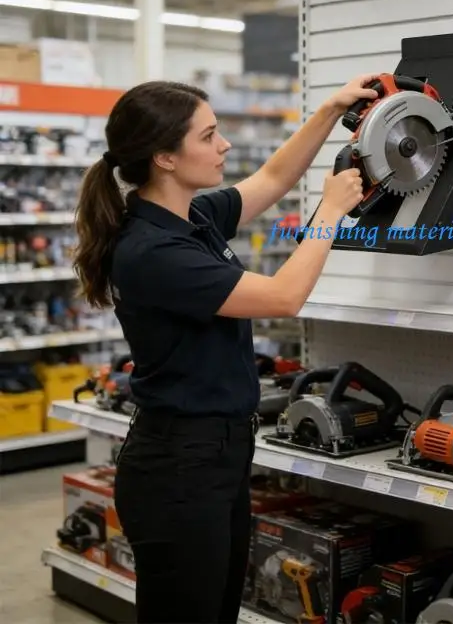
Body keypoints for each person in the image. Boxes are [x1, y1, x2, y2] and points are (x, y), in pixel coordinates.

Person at [72, 75, 379, 624]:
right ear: (165, 157)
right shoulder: (153, 250)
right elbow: (284, 297)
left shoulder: (192, 218)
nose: (225, 146)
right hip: (179, 468)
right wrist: (330, 212)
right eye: (209, 135)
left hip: (216, 456)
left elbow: (274, 176)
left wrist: (332, 108)